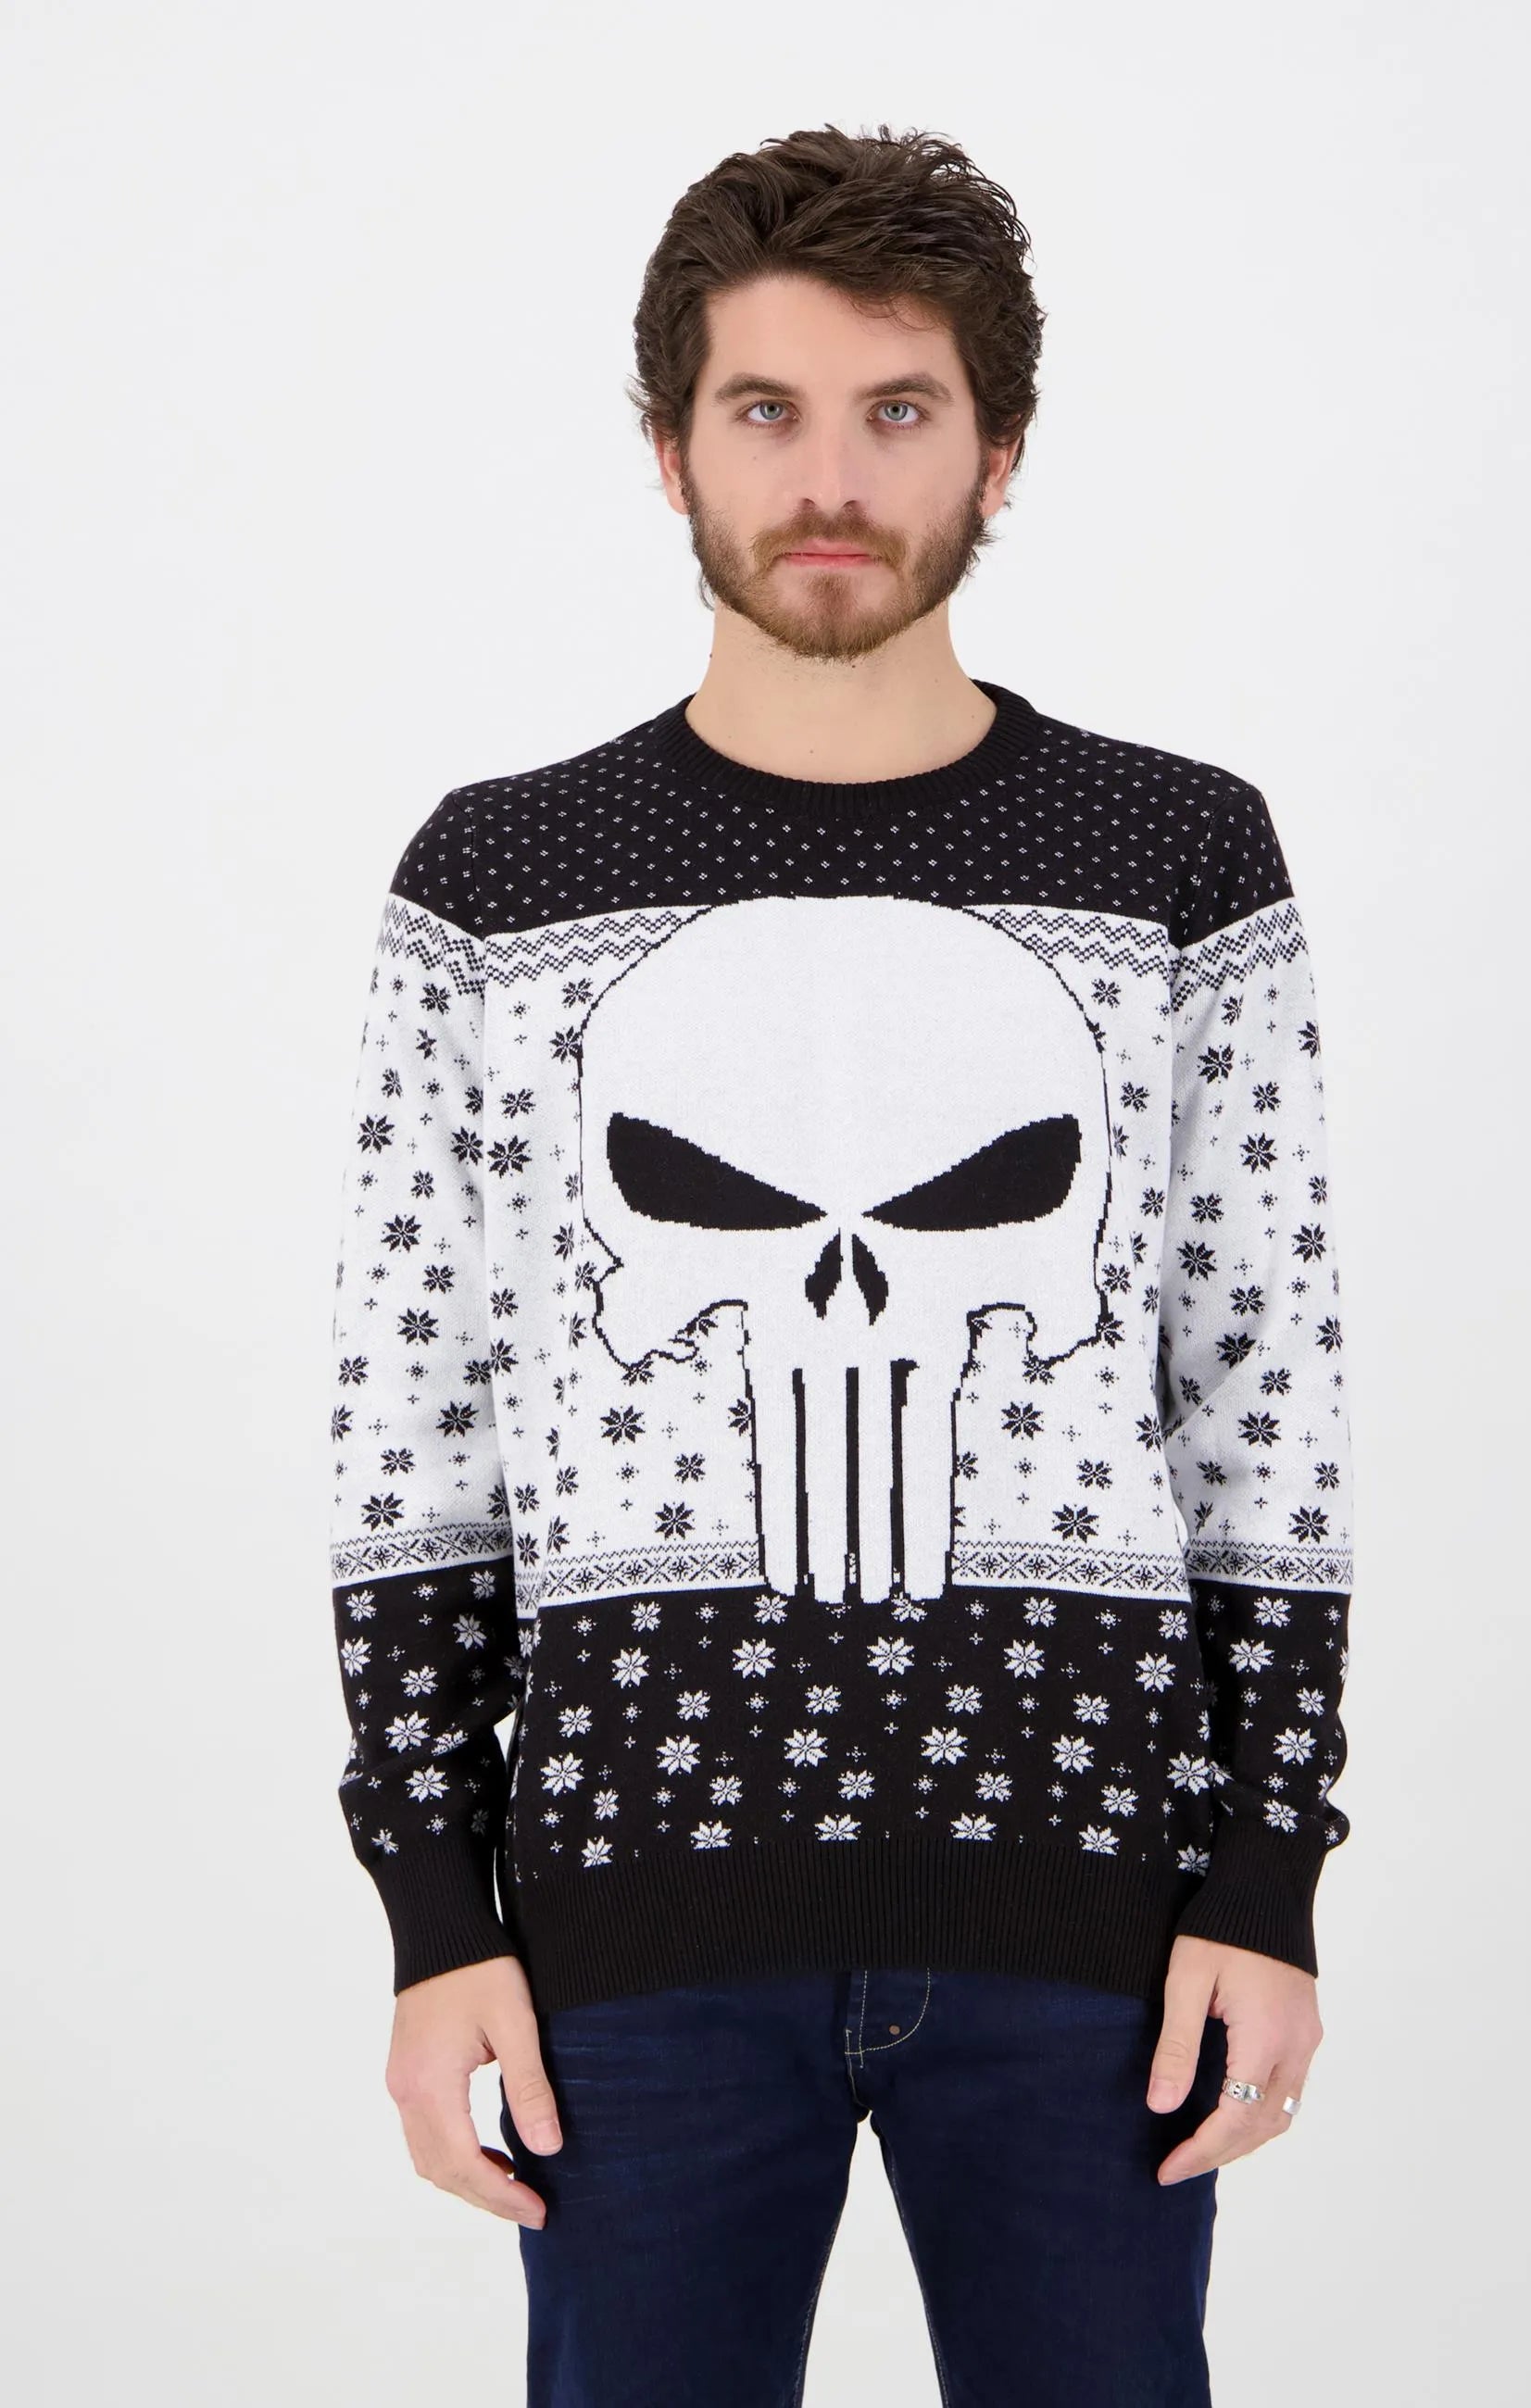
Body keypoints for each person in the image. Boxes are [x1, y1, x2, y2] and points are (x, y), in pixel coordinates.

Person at [326, 120, 1356, 2408]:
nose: (827, 479)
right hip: (626, 1923)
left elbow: (1259, 1382)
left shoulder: (1179, 855)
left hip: (1096, 1913)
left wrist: (1266, 1873)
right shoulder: (499, 877)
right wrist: (433, 1914)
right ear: (669, 447)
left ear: (999, 451)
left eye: (898, 410)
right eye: (764, 408)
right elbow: (418, 1403)